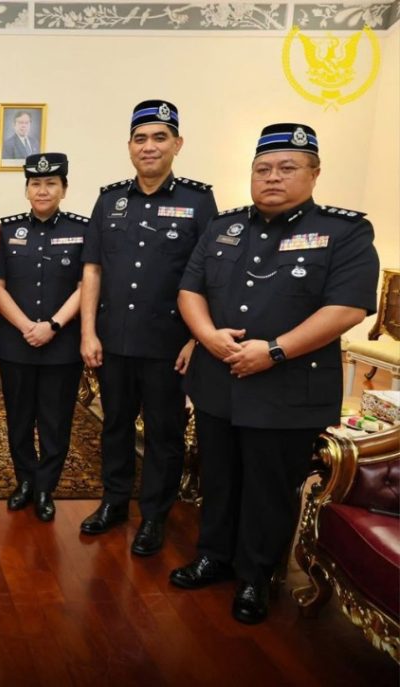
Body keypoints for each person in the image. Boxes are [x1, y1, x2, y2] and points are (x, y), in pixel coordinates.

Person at [172, 123, 379, 624]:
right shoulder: (223, 227)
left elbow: (349, 307)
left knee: (269, 487)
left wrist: (276, 351)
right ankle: (214, 556)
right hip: (219, 381)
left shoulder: (344, 231)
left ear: (314, 173)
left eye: (287, 168)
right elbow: (190, 291)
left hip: (287, 389)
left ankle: (256, 577)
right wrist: (207, 336)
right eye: (262, 168)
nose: (272, 177)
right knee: (218, 477)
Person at [79, 100, 218, 555]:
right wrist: (88, 332)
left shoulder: (198, 201)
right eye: (141, 139)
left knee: (164, 433)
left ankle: (155, 515)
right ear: (129, 147)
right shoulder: (110, 200)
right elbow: (93, 270)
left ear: (177, 144)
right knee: (114, 426)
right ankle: (114, 502)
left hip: (168, 344)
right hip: (114, 339)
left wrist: (197, 339)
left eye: (160, 137)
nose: (149, 146)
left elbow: (211, 277)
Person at [0, 153, 87, 522]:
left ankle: (46, 487)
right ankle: (25, 482)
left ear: (64, 188)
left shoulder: (82, 229)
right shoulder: (6, 230)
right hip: (15, 344)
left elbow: (85, 285)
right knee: (18, 418)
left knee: (55, 420)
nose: (43, 190)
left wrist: (53, 325)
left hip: (61, 346)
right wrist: (25, 326)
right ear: (27, 189)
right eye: (36, 183)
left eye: (51, 183)